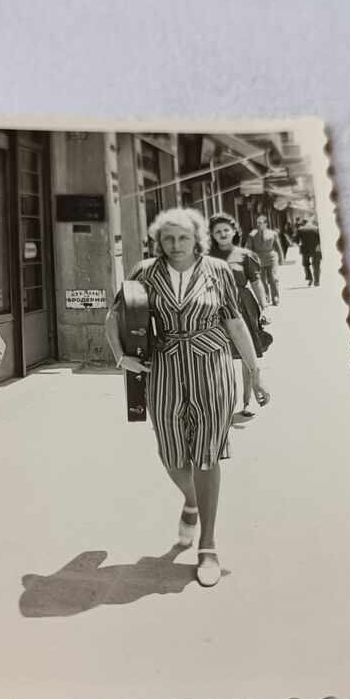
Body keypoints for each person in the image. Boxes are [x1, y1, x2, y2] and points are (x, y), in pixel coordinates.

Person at [105, 208, 271, 588]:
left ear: (197, 238)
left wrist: (255, 371)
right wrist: (121, 357)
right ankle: (192, 501)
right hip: (163, 368)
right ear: (157, 241)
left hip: (212, 366)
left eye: (182, 238)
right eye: (167, 238)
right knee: (171, 451)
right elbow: (112, 317)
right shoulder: (143, 271)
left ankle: (208, 545)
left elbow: (234, 321)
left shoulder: (219, 271)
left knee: (208, 453)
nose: (175, 245)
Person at [208, 212, 270, 418]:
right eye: (218, 231)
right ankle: (223, 401)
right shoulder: (206, 257)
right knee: (219, 355)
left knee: (246, 355)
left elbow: (256, 282)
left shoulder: (245, 255)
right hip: (215, 307)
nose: (223, 234)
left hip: (243, 306)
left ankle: (247, 401)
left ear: (234, 231)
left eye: (226, 230)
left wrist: (264, 307)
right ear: (212, 235)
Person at [246, 214, 285, 305]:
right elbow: (249, 249)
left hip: (271, 258)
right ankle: (266, 296)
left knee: (273, 279)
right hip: (259, 260)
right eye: (257, 223)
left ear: (266, 223)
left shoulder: (272, 234)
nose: (259, 225)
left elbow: (278, 247)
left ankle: (275, 297)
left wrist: (281, 258)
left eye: (261, 223)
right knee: (262, 280)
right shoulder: (252, 235)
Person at [297, 217, 322, 286]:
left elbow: (296, 240)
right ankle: (317, 281)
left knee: (305, 264)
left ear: (303, 223)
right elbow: (322, 239)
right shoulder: (317, 228)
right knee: (316, 265)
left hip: (305, 250)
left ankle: (309, 278)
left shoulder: (300, 229)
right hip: (316, 249)